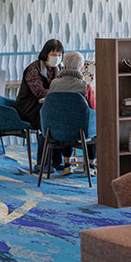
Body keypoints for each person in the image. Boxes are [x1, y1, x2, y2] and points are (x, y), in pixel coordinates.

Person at [15, 39, 64, 173]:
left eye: (59, 55)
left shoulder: (58, 68)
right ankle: (42, 164)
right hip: (29, 108)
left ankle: (56, 161)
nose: (57, 58)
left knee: (61, 119)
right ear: (45, 54)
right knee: (49, 122)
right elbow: (40, 92)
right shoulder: (33, 69)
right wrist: (60, 89)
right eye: (53, 55)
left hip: (45, 107)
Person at [49, 51, 96, 175]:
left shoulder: (53, 85)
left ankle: (67, 165)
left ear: (64, 66)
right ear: (81, 68)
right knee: (92, 123)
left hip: (59, 130)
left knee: (65, 118)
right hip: (81, 131)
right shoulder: (85, 87)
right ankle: (91, 166)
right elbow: (93, 108)